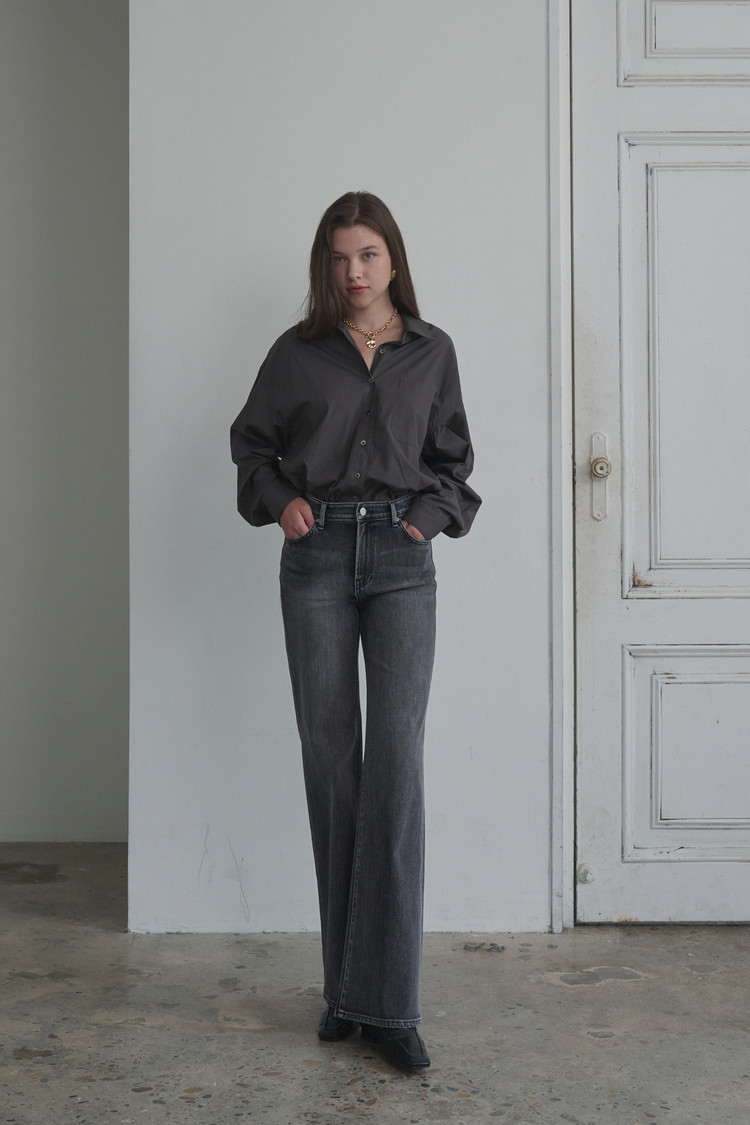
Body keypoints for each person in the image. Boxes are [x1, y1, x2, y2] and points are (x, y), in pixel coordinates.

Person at [230, 191, 480, 1071]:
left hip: (404, 563)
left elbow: (454, 462)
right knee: (332, 763)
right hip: (319, 559)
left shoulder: (432, 351)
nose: (354, 272)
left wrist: (425, 520)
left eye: (368, 254)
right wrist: (281, 501)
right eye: (339, 258)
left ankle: (389, 1006)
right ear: (324, 266)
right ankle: (345, 993)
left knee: (396, 767)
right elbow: (251, 446)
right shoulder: (295, 354)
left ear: (393, 259)